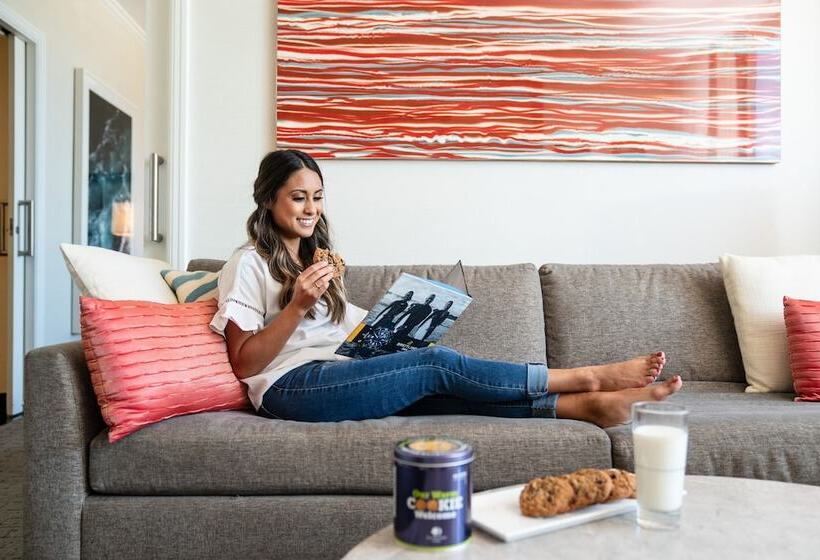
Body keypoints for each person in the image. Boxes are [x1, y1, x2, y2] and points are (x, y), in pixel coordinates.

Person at [210, 149, 681, 427]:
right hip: (288, 388)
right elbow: (243, 362)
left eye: (317, 196)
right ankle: (584, 378)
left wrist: (393, 327)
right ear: (268, 199)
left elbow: (342, 336)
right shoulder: (248, 263)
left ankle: (586, 408)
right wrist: (296, 307)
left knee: (435, 391)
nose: (310, 209)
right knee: (436, 364)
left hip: (336, 370)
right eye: (297, 197)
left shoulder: (318, 261)